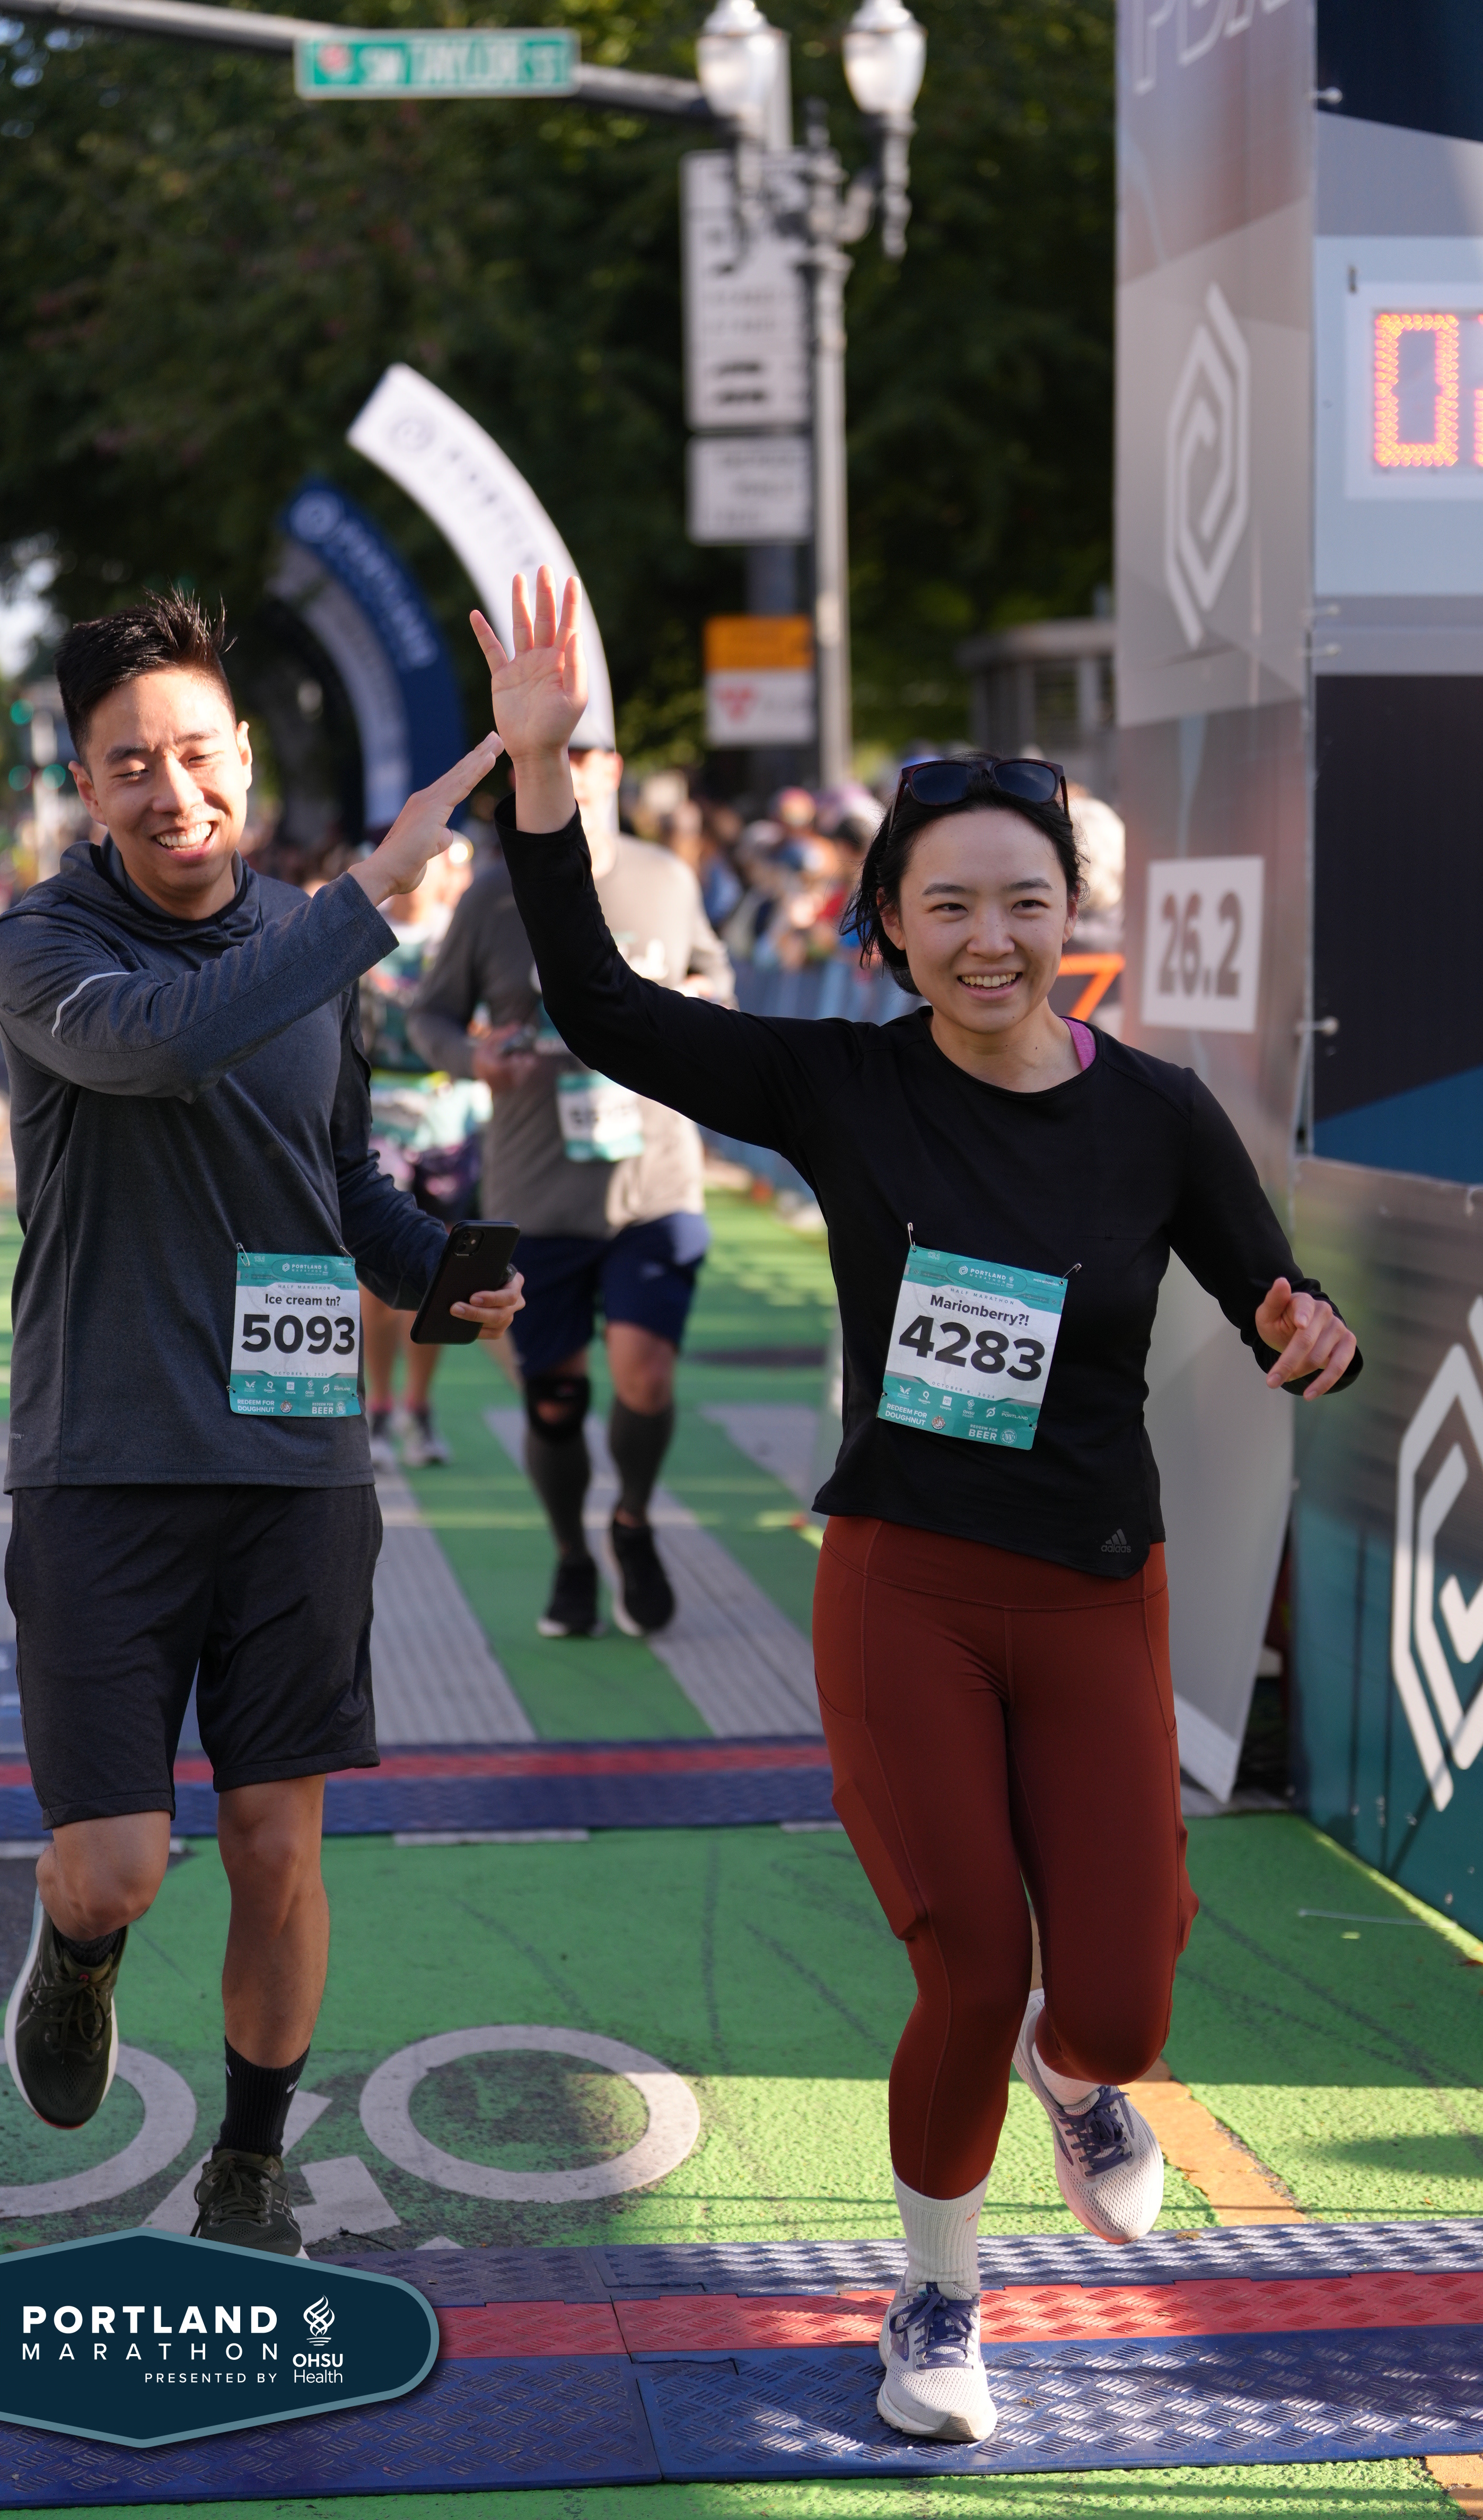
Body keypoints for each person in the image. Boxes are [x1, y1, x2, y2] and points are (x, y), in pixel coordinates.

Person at [471, 570, 1361, 2440]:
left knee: (1116, 1997)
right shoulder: (840, 1086)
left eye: (1022, 902)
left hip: (1094, 1586)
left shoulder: (1158, 1116)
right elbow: (601, 1004)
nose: (988, 938)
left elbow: (1271, 1300)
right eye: (946, 904)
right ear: (883, 926)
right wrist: (543, 783)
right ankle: (939, 2304)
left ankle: (1078, 2078)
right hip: (906, 1590)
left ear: (1071, 920)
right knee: (966, 1956)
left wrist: (1308, 1334)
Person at [0, 594, 523, 2254]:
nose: (175, 792)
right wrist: (370, 899)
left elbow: (334, 1175)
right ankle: (75, 1946)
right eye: (131, 764)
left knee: (280, 1844)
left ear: (244, 757)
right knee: (119, 1864)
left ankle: (247, 2163)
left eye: (200, 753)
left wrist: (442, 1274)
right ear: (86, 782)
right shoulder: (43, 951)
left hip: (295, 1463)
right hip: (104, 1462)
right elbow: (165, 1051)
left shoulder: (310, 942)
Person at [408, 728, 734, 1642]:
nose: (571, 772)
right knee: (552, 1396)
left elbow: (715, 971)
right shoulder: (492, 896)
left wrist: (700, 998)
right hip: (537, 1189)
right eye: (550, 757)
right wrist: (474, 1058)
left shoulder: (664, 877)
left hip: (651, 1181)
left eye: (587, 756)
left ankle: (631, 1519)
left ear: (614, 770)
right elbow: (432, 1015)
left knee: (644, 1371)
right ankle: (570, 1555)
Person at [352, 839, 484, 1467]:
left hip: (448, 1120)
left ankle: (419, 1406)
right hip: (378, 1119)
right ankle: (379, 1407)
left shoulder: (463, 938)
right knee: (378, 1274)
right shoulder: (360, 930)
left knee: (442, 1270)